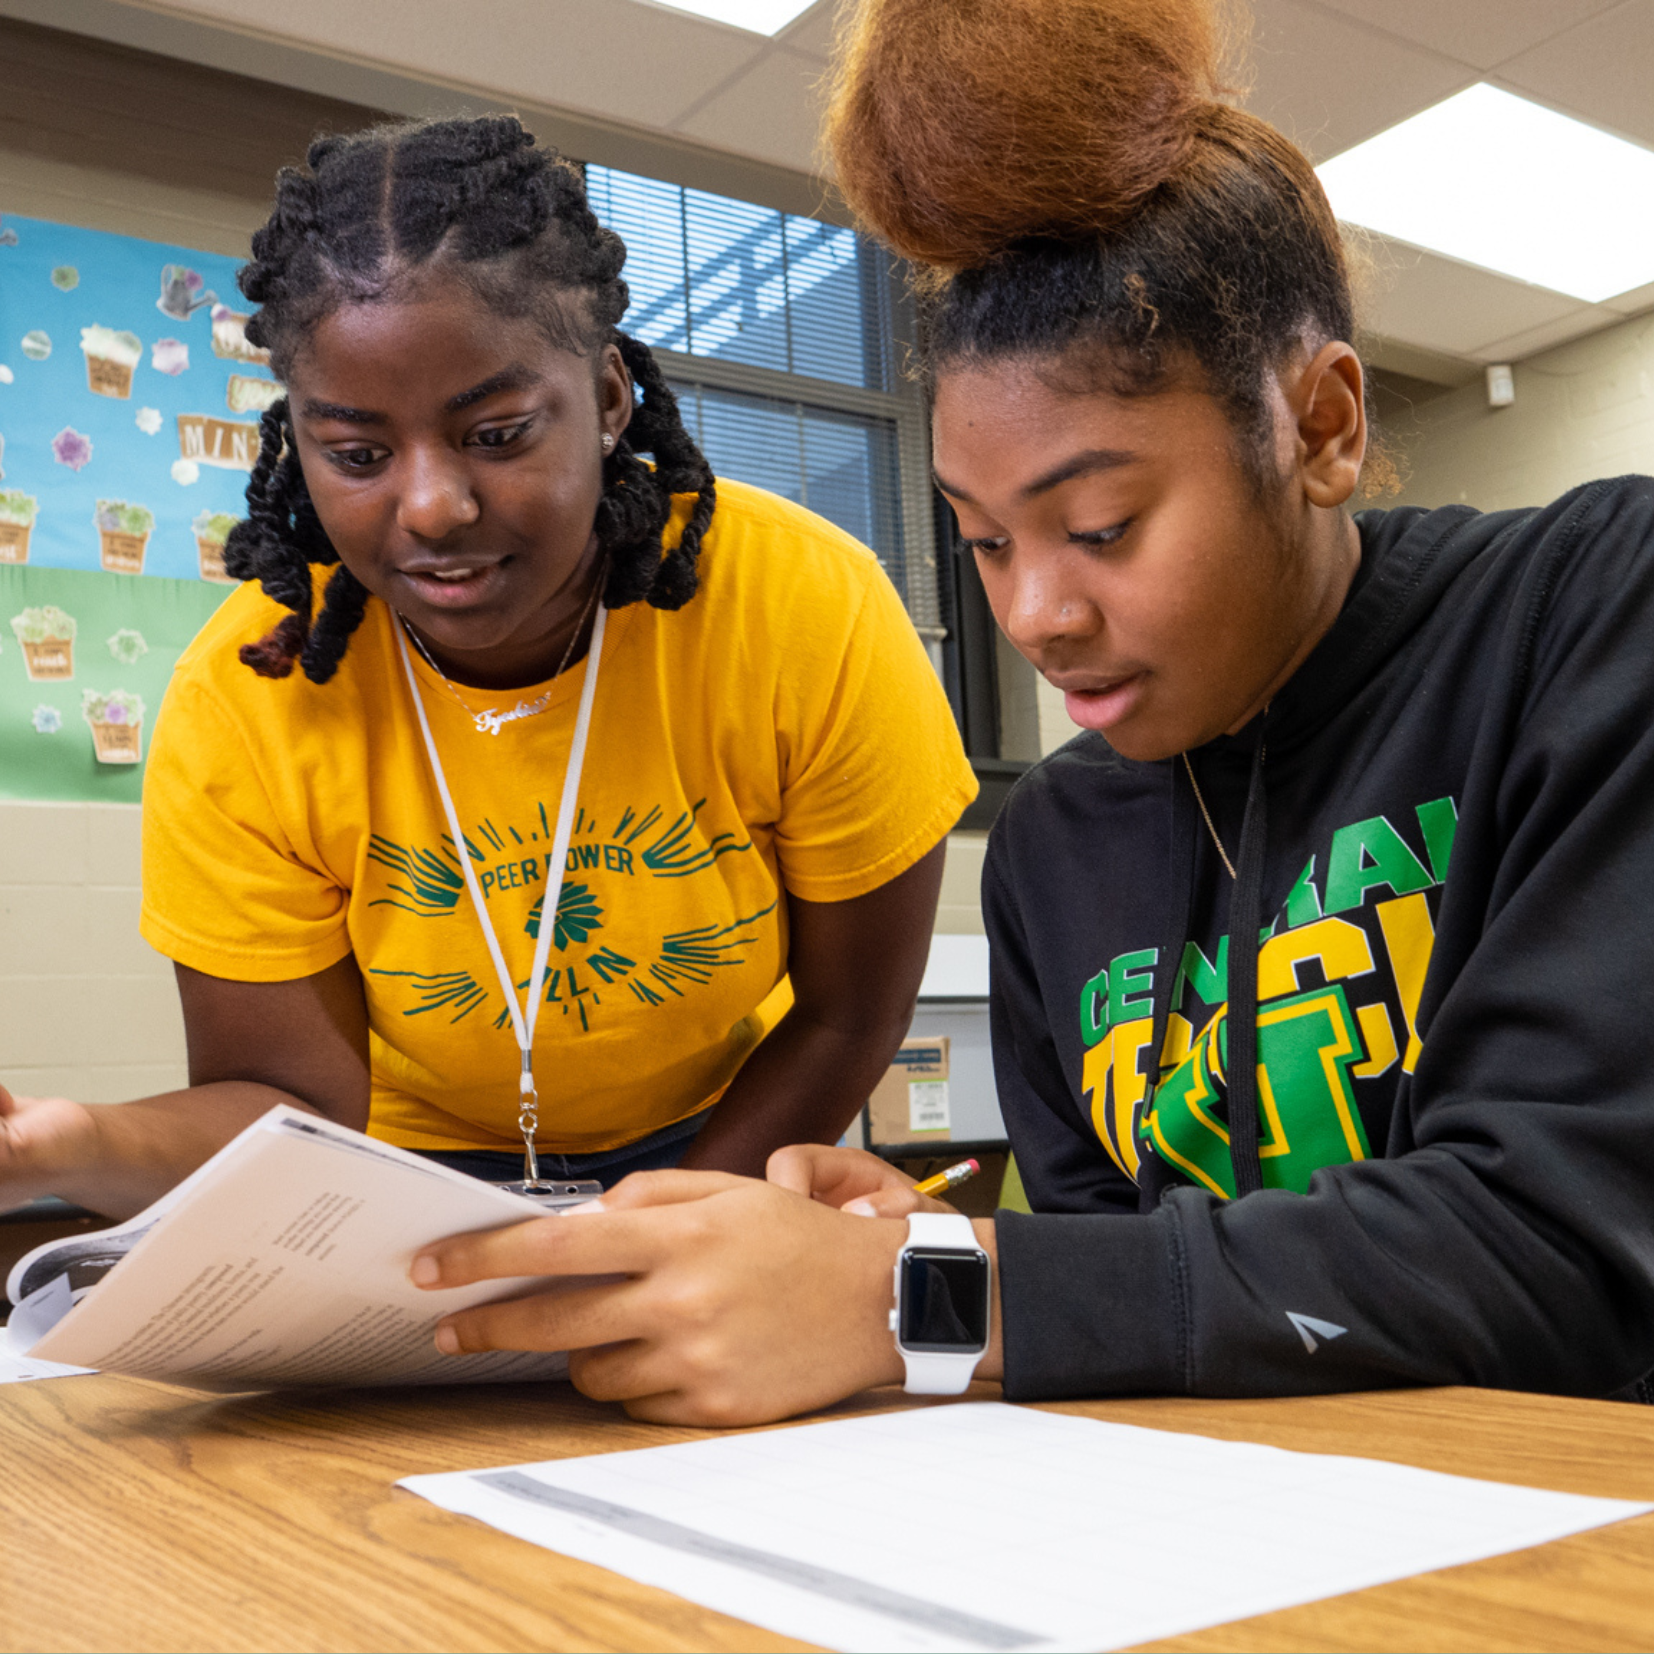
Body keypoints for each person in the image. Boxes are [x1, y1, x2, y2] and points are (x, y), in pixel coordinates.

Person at [398, 0, 1654, 1426]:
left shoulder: (1589, 614)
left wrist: (921, 1300)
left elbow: (1567, 1243)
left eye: (1102, 526)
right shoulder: (1058, 841)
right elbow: (1127, 1301)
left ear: (1319, 428)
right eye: (985, 541)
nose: (1032, 616)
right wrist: (924, 1250)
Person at [0, 117, 975, 1218]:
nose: (430, 507)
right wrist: (69, 1143)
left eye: (499, 433)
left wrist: (650, 1238)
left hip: (735, 1130)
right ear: (302, 442)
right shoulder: (248, 691)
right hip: (395, 1170)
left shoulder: (804, 606)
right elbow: (284, 1109)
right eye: (359, 455)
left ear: (608, 399)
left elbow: (846, 1014)